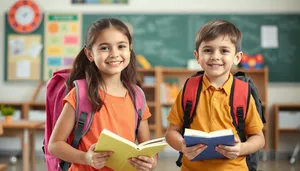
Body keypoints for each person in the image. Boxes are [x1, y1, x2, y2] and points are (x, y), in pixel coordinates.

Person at [48, 18, 157, 171]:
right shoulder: (80, 94)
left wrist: (150, 162)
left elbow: (147, 148)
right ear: (90, 54)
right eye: (105, 48)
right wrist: (86, 157)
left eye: (121, 46)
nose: (114, 54)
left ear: (130, 49)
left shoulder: (137, 96)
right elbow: (54, 145)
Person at [165, 19, 265, 171]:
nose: (215, 56)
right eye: (208, 50)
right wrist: (182, 146)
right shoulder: (189, 89)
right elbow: (171, 132)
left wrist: (241, 148)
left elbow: (259, 138)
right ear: (197, 56)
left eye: (224, 51)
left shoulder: (243, 92)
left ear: (237, 57)